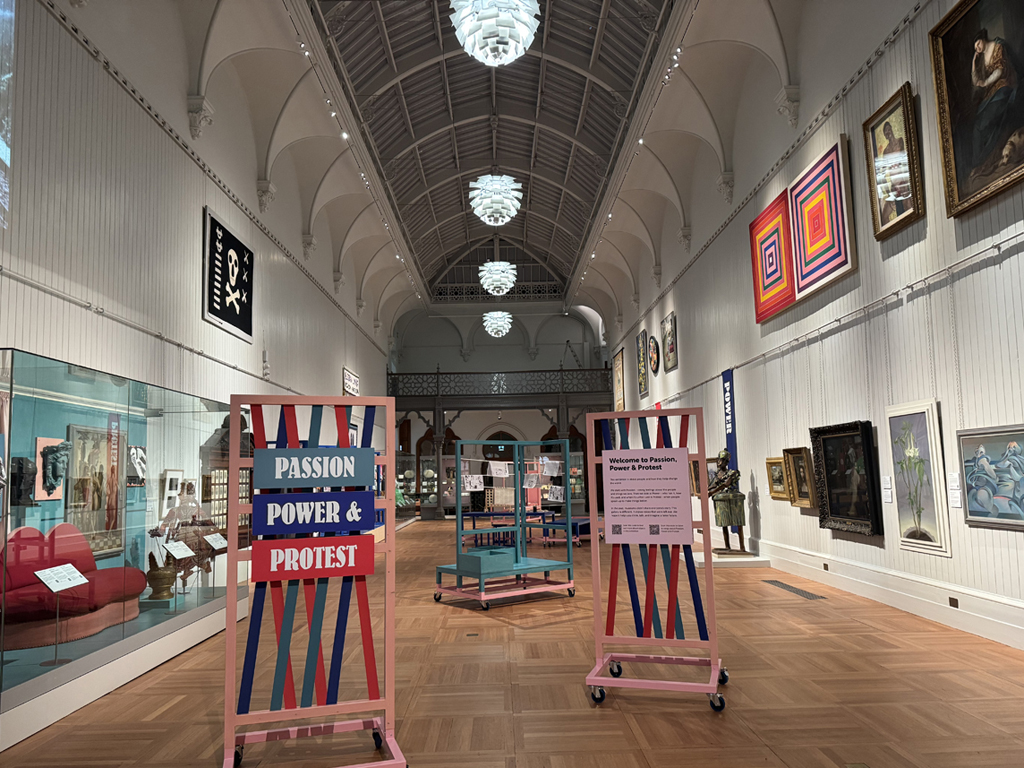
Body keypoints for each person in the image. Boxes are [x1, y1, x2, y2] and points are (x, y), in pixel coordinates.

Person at [970, 29, 1019, 177]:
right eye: (975, 48)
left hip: (1003, 89)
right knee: (978, 126)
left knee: (986, 124)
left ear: (983, 38)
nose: (978, 48)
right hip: (992, 94)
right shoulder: (982, 57)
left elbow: (999, 70)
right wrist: (973, 63)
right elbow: (975, 82)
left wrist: (985, 82)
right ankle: (979, 163)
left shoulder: (998, 46)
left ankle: (983, 161)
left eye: (978, 44)